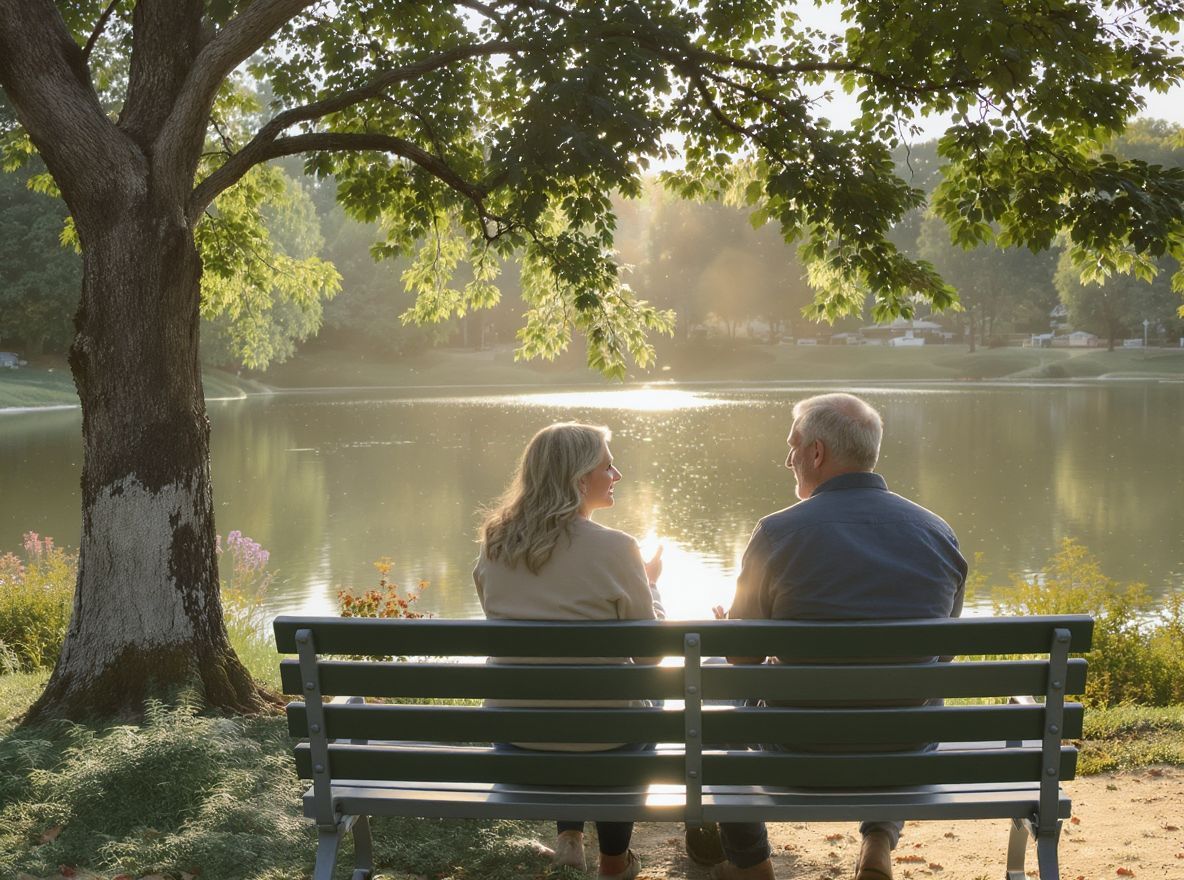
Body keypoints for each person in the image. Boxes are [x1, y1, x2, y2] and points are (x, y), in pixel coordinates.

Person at [710, 393, 968, 880]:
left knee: (720, 700)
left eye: (793, 446)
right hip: (902, 749)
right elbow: (942, 652)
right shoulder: (937, 534)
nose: (788, 459)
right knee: (911, 694)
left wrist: (741, 639)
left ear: (816, 453)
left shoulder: (776, 533)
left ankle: (752, 862)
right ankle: (877, 841)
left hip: (799, 749)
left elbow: (741, 659)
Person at [474, 422, 663, 880]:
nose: (616, 474)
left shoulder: (494, 546)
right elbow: (650, 656)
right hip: (612, 747)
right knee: (637, 702)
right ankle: (615, 862)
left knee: (558, 688)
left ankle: (570, 837)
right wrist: (652, 586)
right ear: (580, 478)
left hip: (519, 743)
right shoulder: (619, 550)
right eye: (607, 465)